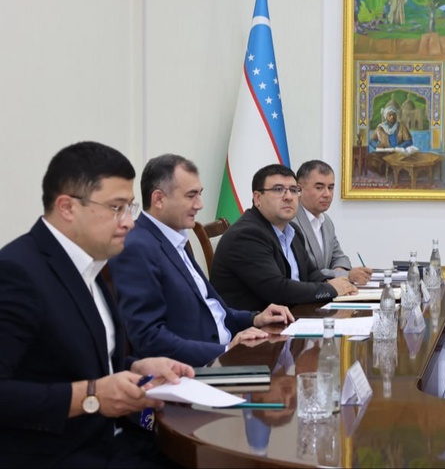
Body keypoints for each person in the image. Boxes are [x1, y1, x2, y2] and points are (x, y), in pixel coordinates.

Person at [0, 141, 194, 467]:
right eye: (116, 208)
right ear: (67, 207)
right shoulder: (17, 272)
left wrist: (135, 368)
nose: (129, 222)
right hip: (60, 454)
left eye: (130, 208)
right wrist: (90, 396)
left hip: (118, 441)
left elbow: (72, 361)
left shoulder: (90, 263)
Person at [109, 154, 295, 367]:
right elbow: (149, 337)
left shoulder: (175, 237)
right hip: (197, 368)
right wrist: (226, 350)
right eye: (191, 196)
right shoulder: (137, 247)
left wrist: (255, 318)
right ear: (159, 199)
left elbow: (209, 309)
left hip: (225, 352)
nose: (200, 205)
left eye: (200, 194)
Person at [211, 164, 359, 311]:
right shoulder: (247, 235)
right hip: (256, 323)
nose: (288, 197)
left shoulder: (292, 231)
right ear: (257, 198)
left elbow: (311, 274)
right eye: (278, 189)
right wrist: (330, 289)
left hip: (294, 314)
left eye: (293, 190)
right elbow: (277, 290)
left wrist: (336, 284)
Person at [293, 160, 371, 284]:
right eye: (319, 188)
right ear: (299, 188)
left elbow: (340, 257)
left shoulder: (326, 221)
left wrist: (339, 271)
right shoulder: (290, 221)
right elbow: (305, 271)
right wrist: (344, 275)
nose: (327, 194)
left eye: (330, 187)